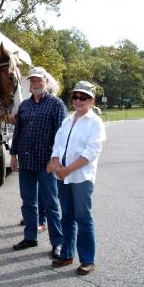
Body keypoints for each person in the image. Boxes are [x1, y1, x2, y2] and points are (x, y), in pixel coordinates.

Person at [47, 81, 106, 275]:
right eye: (75, 96)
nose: (78, 100)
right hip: (63, 175)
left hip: (81, 177)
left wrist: (67, 169)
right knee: (67, 217)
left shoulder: (95, 123)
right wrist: (55, 162)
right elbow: (57, 143)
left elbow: (91, 152)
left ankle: (87, 260)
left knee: (83, 218)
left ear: (91, 100)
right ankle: (66, 254)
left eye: (83, 97)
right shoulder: (67, 120)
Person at [10, 66, 66, 259]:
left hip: (46, 163)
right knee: (28, 203)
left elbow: (61, 136)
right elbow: (17, 132)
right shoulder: (24, 106)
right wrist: (13, 155)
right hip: (26, 161)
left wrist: (54, 159)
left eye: (39, 80)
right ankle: (30, 237)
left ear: (46, 82)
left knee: (51, 204)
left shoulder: (56, 105)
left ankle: (58, 243)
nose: (35, 83)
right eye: (32, 80)